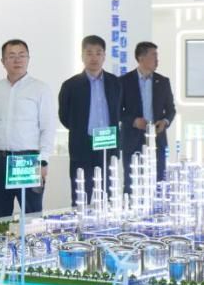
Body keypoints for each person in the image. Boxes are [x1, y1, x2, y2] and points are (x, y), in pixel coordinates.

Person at [0, 39, 55, 217]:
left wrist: (43, 160)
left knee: (32, 217)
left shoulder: (40, 89)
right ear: (3, 61)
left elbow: (48, 127)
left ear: (28, 59)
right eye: (11, 56)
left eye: (22, 55)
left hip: (28, 161)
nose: (17, 60)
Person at [58, 35, 121, 206]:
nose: (94, 58)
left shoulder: (115, 83)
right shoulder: (70, 85)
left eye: (98, 53)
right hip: (82, 146)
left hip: (107, 145)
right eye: (89, 53)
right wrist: (80, 131)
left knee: (108, 197)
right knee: (81, 196)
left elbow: (119, 112)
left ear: (104, 56)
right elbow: (64, 116)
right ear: (82, 56)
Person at [120, 41, 176, 192]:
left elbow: (171, 110)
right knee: (132, 184)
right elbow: (117, 111)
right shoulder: (124, 81)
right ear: (141, 58)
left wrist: (165, 122)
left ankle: (157, 207)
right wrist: (133, 121)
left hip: (157, 139)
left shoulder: (163, 81)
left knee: (158, 183)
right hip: (132, 140)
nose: (157, 60)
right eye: (154, 55)